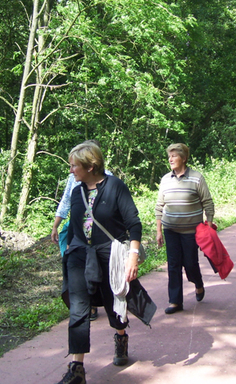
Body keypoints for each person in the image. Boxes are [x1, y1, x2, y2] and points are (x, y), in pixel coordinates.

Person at [57, 141, 155, 384]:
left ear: (90, 166)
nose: (71, 171)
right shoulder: (76, 190)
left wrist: (133, 256)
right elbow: (75, 224)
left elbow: (133, 223)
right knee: (79, 309)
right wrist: (69, 249)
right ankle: (77, 368)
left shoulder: (115, 187)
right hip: (80, 256)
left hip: (110, 255)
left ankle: (120, 337)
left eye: (74, 166)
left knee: (114, 302)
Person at [51, 140, 113, 321]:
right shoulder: (74, 178)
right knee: (79, 268)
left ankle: (109, 310)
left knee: (99, 271)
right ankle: (89, 305)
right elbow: (66, 202)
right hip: (76, 231)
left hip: (100, 237)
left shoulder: (109, 179)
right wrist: (56, 225)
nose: (72, 169)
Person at [155, 143, 215, 314]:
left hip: (191, 232)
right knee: (173, 265)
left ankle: (198, 283)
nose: (170, 159)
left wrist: (209, 226)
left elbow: (208, 203)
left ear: (184, 158)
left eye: (174, 156)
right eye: (169, 156)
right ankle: (175, 301)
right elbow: (159, 206)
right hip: (170, 230)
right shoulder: (166, 179)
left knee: (190, 264)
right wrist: (159, 231)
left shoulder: (197, 178)